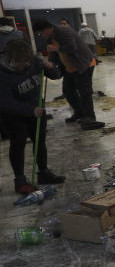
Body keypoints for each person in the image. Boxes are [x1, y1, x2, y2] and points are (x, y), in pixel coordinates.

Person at [0, 39, 65, 194]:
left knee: (39, 140)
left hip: (36, 108)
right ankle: (20, 181)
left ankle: (43, 173)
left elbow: (56, 75)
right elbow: (5, 103)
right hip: (13, 114)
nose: (27, 66)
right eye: (22, 62)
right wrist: (30, 111)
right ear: (12, 60)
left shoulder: (34, 61)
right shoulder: (2, 74)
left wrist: (50, 66)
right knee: (18, 142)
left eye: (28, 61)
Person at [34, 18, 103, 129]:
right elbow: (53, 53)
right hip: (69, 67)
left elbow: (72, 47)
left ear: (47, 28)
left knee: (84, 91)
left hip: (83, 64)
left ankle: (90, 117)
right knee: (68, 91)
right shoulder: (49, 37)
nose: (42, 35)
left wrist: (56, 48)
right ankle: (79, 113)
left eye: (41, 32)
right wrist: (51, 63)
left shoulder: (63, 31)